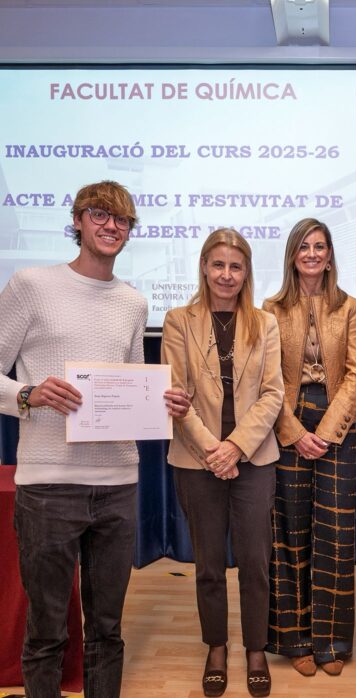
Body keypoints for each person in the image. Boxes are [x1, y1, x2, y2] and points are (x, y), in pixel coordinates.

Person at [0, 180, 189, 698]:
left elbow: (130, 388)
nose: (111, 226)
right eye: (100, 215)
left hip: (117, 484)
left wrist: (164, 404)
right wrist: (28, 394)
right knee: (46, 632)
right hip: (48, 485)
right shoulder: (30, 285)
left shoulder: (133, 302)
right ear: (78, 221)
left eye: (121, 219)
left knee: (107, 630)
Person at [161, 229, 284, 698]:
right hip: (197, 461)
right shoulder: (178, 320)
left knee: (255, 562)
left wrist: (235, 448)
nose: (226, 275)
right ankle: (216, 645)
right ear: (204, 267)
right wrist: (215, 451)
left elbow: (273, 394)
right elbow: (177, 396)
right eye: (218, 265)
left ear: (246, 272)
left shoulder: (265, 323)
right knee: (209, 563)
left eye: (235, 266)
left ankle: (255, 648)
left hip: (253, 459)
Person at [262, 218, 356, 677]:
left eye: (319, 246)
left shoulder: (350, 307)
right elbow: (266, 379)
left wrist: (324, 431)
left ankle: (331, 641)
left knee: (336, 534)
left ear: (329, 256)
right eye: (304, 246)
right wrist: (293, 431)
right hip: (286, 422)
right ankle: (295, 640)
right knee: (290, 531)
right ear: (292, 254)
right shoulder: (270, 308)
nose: (311, 253)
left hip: (338, 425)